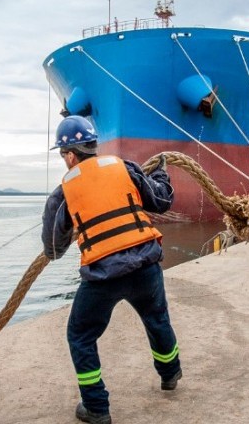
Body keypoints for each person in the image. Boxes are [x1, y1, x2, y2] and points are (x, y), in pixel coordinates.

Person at [41, 115, 181, 424]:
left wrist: (76, 226)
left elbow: (53, 249)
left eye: (63, 154)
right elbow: (161, 200)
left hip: (103, 275)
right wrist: (161, 173)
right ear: (93, 146)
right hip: (146, 266)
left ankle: (96, 407)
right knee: (157, 318)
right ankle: (170, 374)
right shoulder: (125, 168)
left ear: (70, 155)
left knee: (80, 335)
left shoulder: (62, 193)